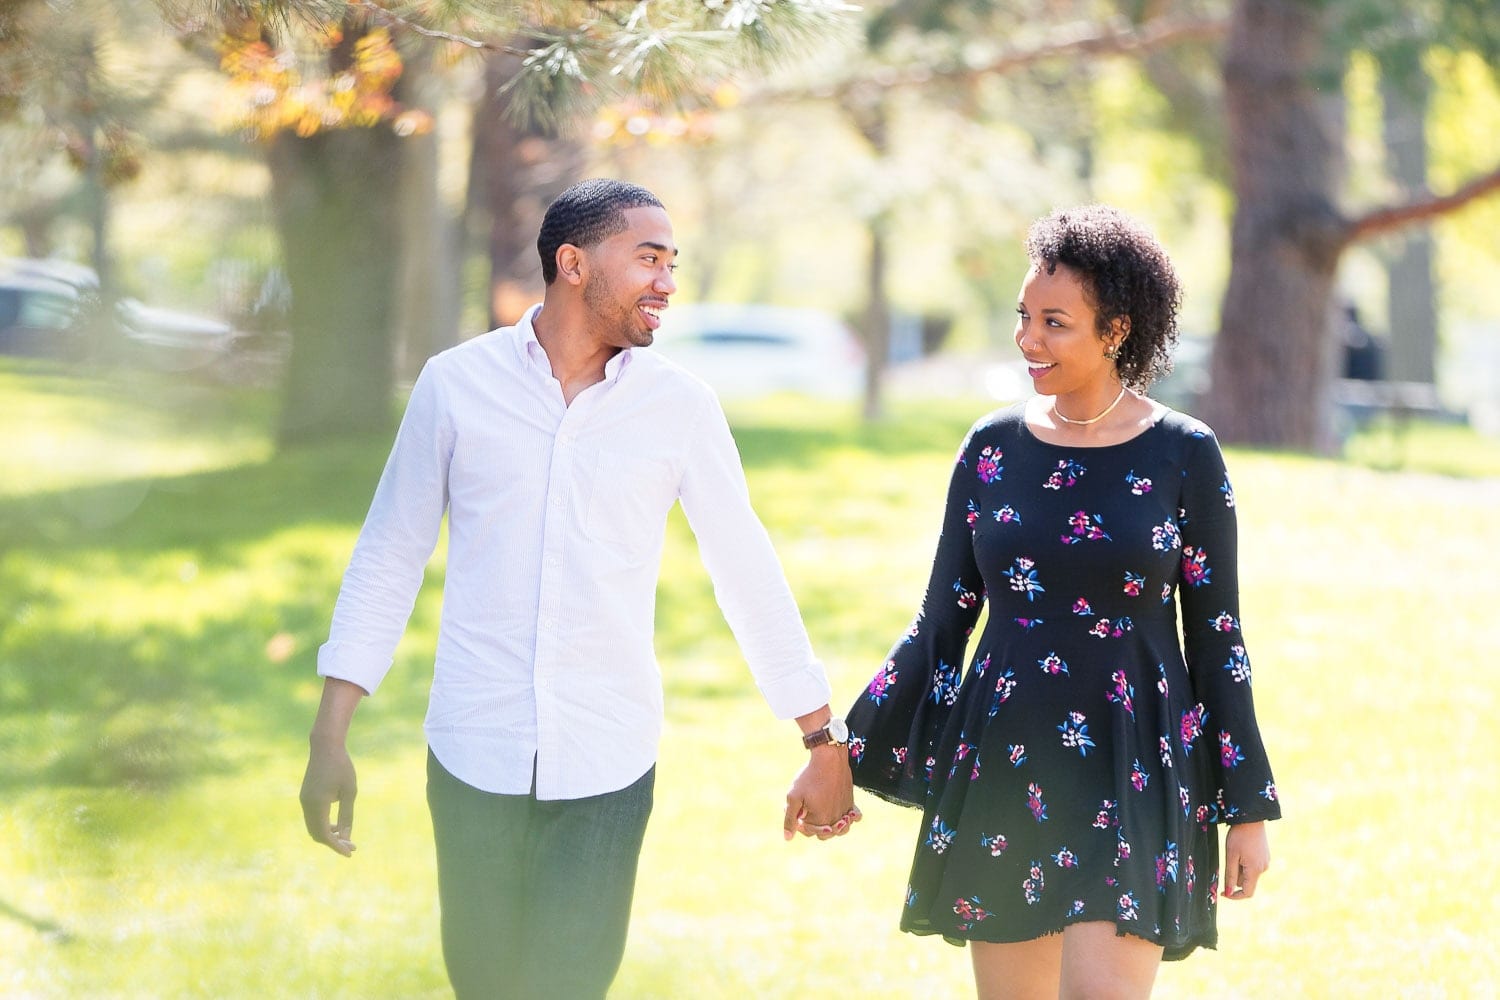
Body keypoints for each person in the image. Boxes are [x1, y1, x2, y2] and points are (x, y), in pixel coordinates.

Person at [299, 178, 858, 1000]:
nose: (667, 282)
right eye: (648, 259)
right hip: (473, 754)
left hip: (608, 760)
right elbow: (389, 555)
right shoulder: (456, 385)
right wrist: (329, 736)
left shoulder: (681, 408)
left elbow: (746, 569)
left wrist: (820, 734)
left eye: (672, 262)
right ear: (573, 262)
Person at [845, 205, 1280, 999]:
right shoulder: (990, 448)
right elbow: (941, 619)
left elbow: (1218, 636)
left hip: (1136, 761)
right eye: (1023, 317)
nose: (1028, 339)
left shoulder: (1185, 453)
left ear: (1115, 329)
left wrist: (1245, 805)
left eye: (1055, 322)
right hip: (1008, 759)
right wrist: (839, 752)